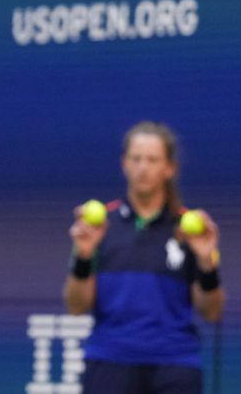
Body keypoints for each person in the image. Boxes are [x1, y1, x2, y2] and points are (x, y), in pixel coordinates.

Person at [64, 121, 225, 394]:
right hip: (110, 360)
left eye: (152, 160)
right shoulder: (99, 227)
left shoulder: (189, 230)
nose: (143, 167)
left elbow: (212, 311)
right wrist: (84, 255)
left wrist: (206, 262)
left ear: (169, 168)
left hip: (175, 365)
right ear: (124, 163)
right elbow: (77, 306)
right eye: (136, 159)